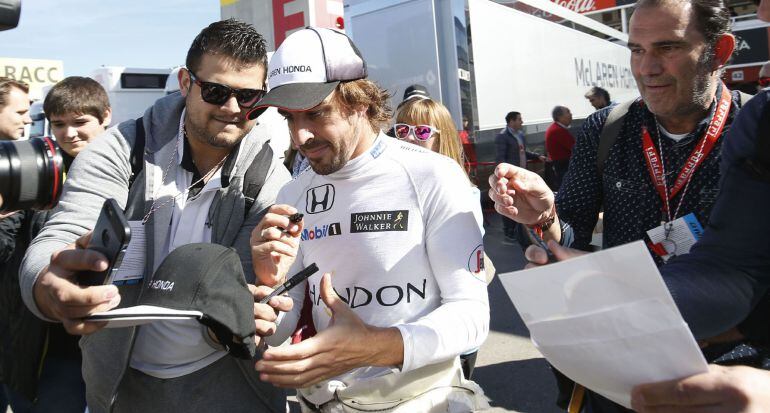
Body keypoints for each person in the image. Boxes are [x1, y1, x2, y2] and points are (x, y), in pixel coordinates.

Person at [19, 19, 291, 413]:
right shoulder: (122, 150)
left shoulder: (267, 173)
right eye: (215, 91)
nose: (232, 109)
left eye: (248, 97)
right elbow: (64, 232)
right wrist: (49, 285)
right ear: (185, 83)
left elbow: (257, 291)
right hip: (124, 386)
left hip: (233, 386)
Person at [489, 0, 747, 410]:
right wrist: (544, 217)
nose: (647, 67)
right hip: (621, 370)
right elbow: (569, 230)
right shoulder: (608, 127)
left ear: (719, 51)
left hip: (732, 373)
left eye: (668, 47)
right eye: (637, 49)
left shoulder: (754, 131)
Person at [248, 27, 489, 412]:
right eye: (289, 118)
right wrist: (267, 291)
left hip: (421, 400)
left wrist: (376, 346)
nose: (301, 136)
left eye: (316, 112)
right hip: (324, 402)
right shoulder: (292, 193)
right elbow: (282, 325)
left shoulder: (433, 175)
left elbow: (472, 316)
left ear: (359, 101)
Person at [0, 76, 111, 413]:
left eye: (80, 122)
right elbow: (7, 248)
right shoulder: (38, 172)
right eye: (59, 124)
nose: (69, 133)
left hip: (109, 332)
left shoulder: (138, 171)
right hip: (40, 343)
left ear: (105, 116)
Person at [394, 97, 486, 380]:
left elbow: (465, 261)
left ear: (441, 137)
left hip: (449, 333)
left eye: (422, 132)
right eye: (402, 130)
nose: (410, 138)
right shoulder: (391, 185)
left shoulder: (460, 189)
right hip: (403, 329)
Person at [495, 111, 543, 244]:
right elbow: (500, 158)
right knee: (508, 202)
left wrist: (536, 156)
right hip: (509, 177)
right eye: (519, 119)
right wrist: (502, 177)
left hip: (521, 176)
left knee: (520, 203)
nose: (522, 121)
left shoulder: (520, 135)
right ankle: (508, 232)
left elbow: (522, 152)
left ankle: (517, 231)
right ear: (511, 121)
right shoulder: (503, 136)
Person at [544, 105, 576, 190]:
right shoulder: (558, 130)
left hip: (561, 166)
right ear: (560, 117)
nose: (571, 114)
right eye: (568, 112)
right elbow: (575, 148)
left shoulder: (555, 128)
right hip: (563, 167)